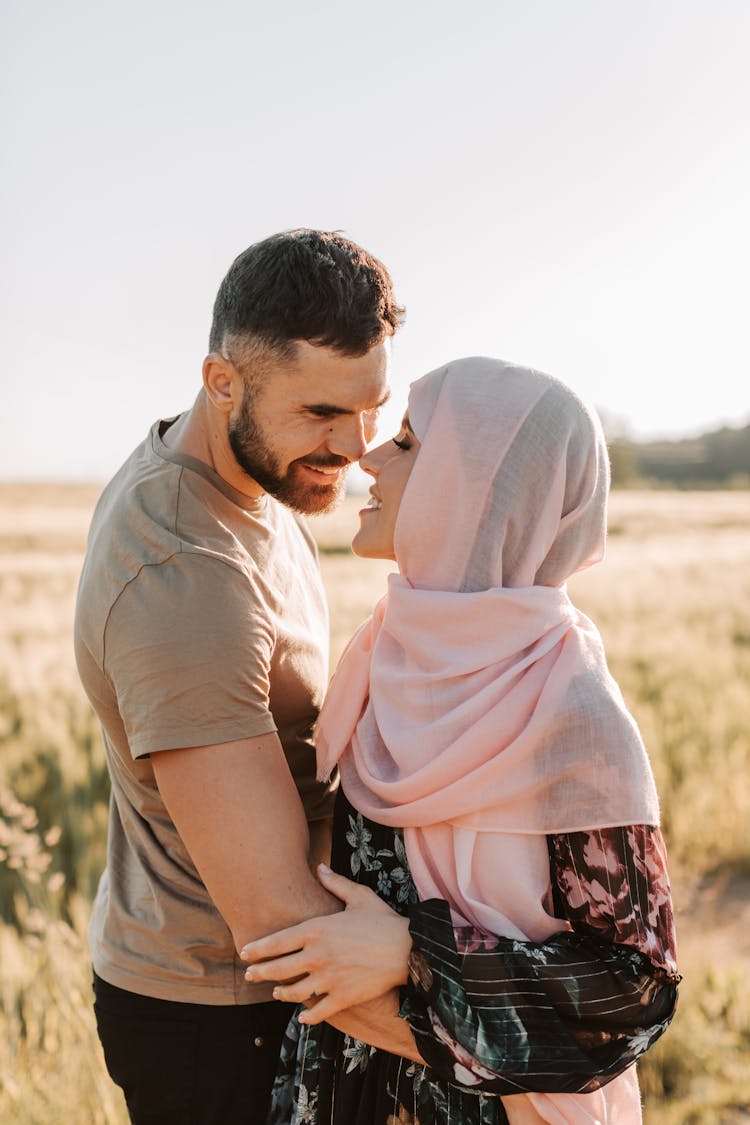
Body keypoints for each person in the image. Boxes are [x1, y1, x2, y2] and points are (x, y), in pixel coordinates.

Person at [241, 357, 681, 1124]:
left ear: (477, 491)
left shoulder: (572, 709)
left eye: (408, 442)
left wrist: (416, 951)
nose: (368, 457)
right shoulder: (382, 660)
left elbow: (632, 990)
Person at [73, 228, 406, 1125]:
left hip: (269, 998)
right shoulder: (183, 574)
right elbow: (278, 924)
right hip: (221, 1020)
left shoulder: (257, 478)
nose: (357, 446)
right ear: (224, 383)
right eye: (322, 414)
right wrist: (516, 1049)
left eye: (371, 408)